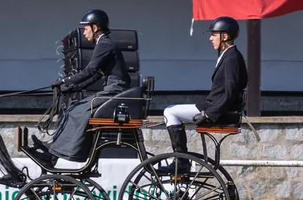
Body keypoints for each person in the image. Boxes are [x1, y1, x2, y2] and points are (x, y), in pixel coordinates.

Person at [29, 9, 132, 167]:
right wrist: (73, 88)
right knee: (73, 108)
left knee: (78, 111)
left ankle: (53, 155)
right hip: (112, 89)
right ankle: (53, 151)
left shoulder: (105, 44)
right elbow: (96, 75)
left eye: (86, 28)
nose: (84, 32)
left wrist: (65, 81)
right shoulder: (104, 43)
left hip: (115, 90)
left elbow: (90, 71)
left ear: (95, 28)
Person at [156, 16, 248, 173]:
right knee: (172, 109)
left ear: (224, 36)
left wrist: (208, 115)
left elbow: (230, 92)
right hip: (213, 106)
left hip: (217, 110)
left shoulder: (232, 58)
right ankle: (181, 159)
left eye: (214, 34)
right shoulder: (228, 55)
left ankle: (181, 160)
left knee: (169, 112)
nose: (211, 38)